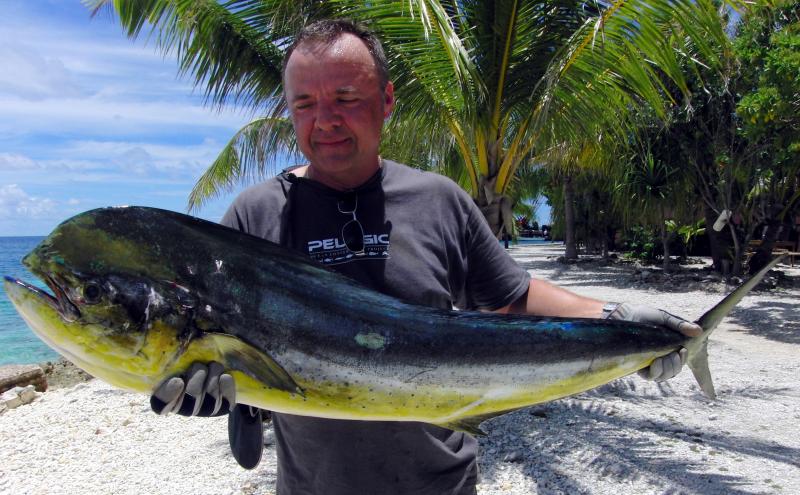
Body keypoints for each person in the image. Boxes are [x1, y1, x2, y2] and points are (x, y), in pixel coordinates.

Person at [151, 19, 700, 495]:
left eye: (345, 99)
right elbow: (214, 345)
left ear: (387, 100)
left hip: (441, 484)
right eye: (305, 104)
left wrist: (616, 320)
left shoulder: (439, 199)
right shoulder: (254, 216)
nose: (325, 120)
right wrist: (208, 392)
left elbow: (514, 297)